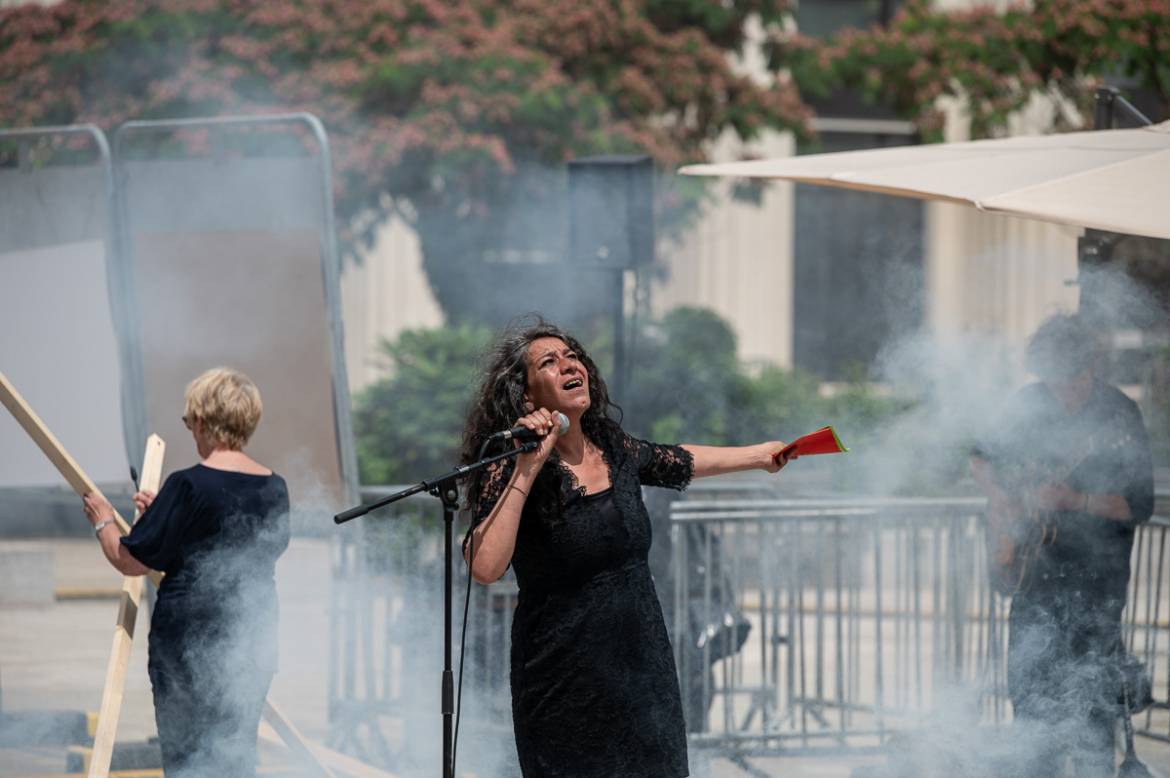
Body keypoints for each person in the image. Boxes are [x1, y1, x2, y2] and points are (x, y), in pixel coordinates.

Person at [461, 319, 795, 777]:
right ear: (526, 397)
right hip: (564, 680)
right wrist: (528, 466)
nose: (568, 363)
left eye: (572, 355)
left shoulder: (613, 449)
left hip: (642, 668)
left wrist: (760, 456)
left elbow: (679, 458)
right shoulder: (512, 465)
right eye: (549, 361)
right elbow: (484, 566)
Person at [81, 367, 290, 777]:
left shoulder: (189, 486)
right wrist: (165, 515)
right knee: (236, 756)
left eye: (188, 420)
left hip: (189, 647)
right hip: (253, 640)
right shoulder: (275, 486)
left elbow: (130, 560)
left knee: (188, 762)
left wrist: (104, 521)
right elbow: (232, 539)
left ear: (202, 420)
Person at [970, 313, 1154, 777]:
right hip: (1035, 584)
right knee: (1032, 706)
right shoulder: (1027, 402)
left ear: (1090, 365)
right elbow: (980, 454)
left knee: (1092, 711)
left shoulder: (1118, 414)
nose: (1058, 391)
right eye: (1049, 380)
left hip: (1098, 585)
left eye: (1066, 381)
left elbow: (1138, 504)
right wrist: (1003, 504)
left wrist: (1076, 499)